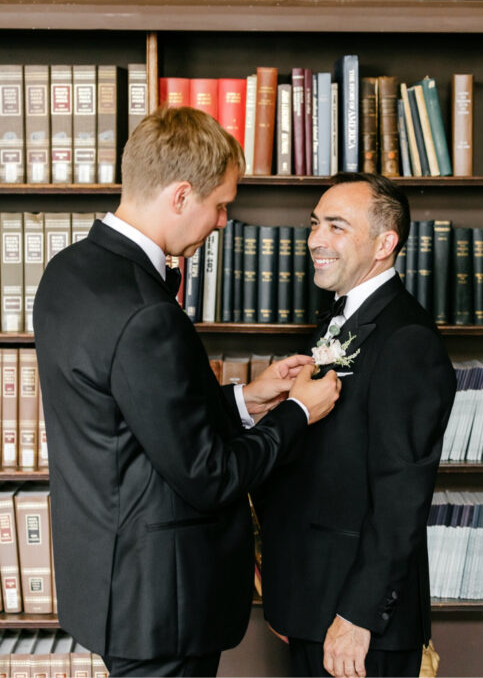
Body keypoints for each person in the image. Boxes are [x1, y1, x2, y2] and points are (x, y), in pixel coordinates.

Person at [33, 106, 341, 677]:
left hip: (108, 578)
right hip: (158, 601)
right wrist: (298, 411)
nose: (224, 221)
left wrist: (244, 400)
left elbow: (131, 418)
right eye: (220, 204)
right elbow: (211, 475)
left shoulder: (67, 272)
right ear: (180, 196)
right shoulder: (144, 311)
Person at [255, 174, 456, 678]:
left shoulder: (407, 339)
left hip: (358, 625)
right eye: (315, 224)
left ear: (385, 244)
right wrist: (292, 593)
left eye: (336, 227)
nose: (315, 240)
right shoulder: (337, 321)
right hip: (312, 601)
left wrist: (355, 617)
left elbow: (400, 497)